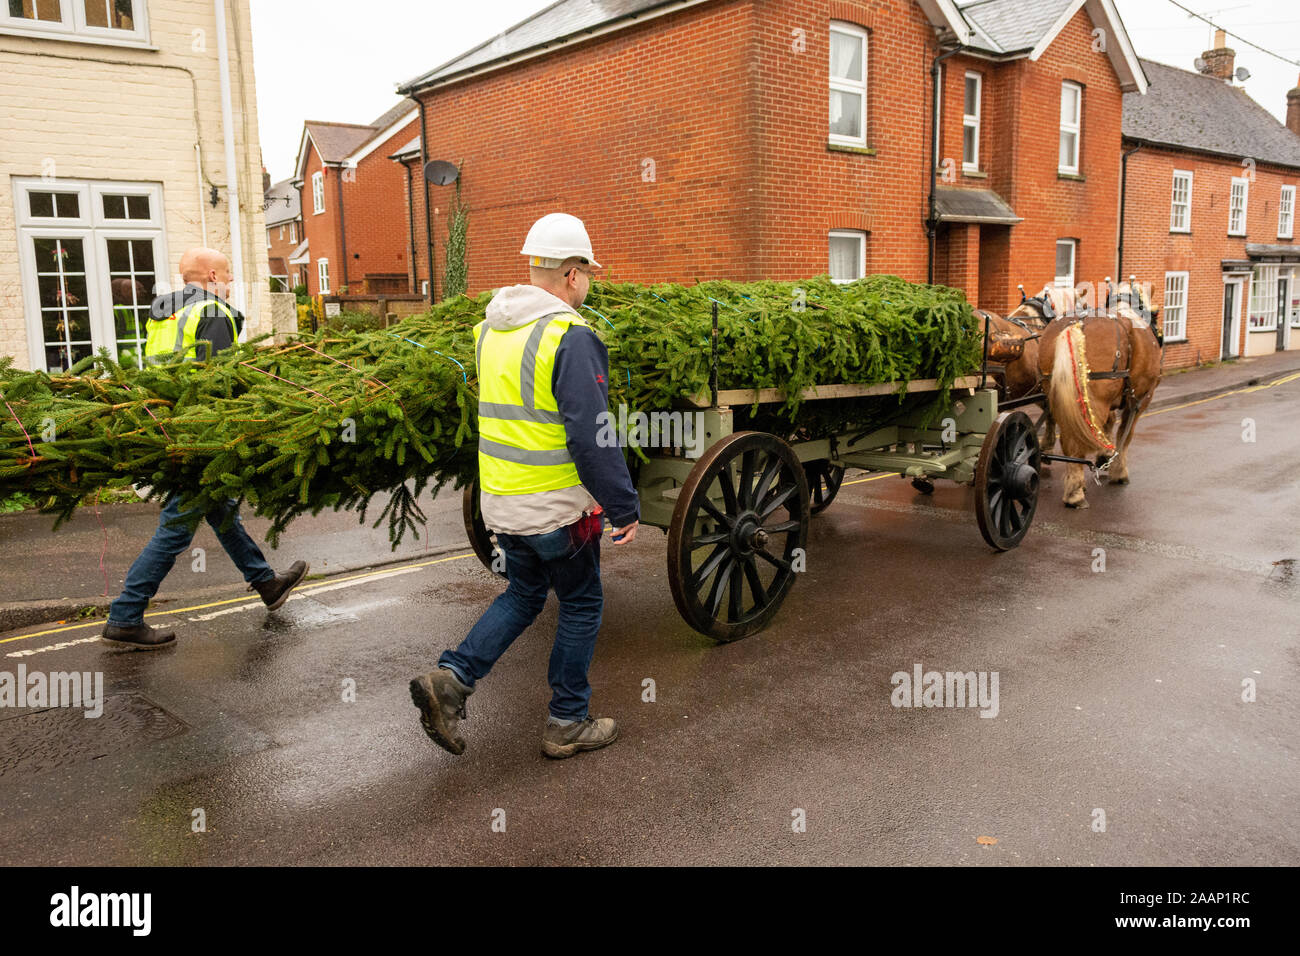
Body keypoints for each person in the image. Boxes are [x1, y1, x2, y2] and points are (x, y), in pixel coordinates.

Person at [409, 213, 639, 760]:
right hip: (558, 507)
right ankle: (567, 722)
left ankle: (453, 679)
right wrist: (623, 505)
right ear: (573, 274)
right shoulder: (570, 336)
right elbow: (591, 435)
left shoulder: (490, 330)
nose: (589, 282)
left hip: (503, 502)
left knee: (523, 593)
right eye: (587, 271)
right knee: (581, 604)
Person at [101, 248, 309, 650]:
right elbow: (218, 382)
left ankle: (267, 583)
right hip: (201, 433)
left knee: (222, 511)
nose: (230, 281)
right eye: (228, 273)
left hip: (173, 425)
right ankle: (125, 615)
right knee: (176, 528)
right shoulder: (212, 312)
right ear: (213, 275)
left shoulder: (164, 312)